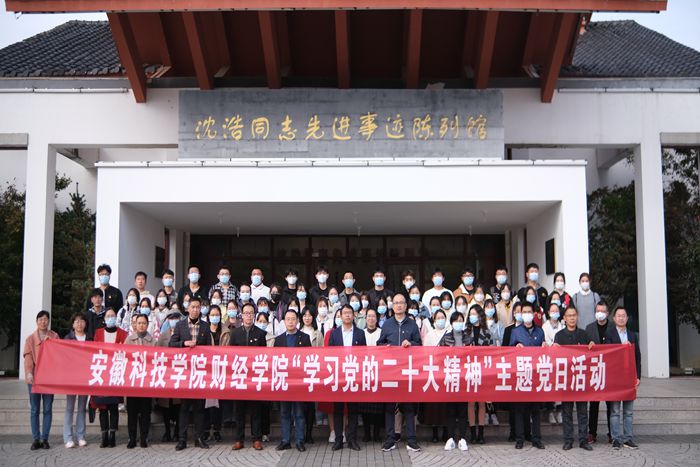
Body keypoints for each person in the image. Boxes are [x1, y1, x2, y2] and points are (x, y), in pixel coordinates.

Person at [377, 293, 422, 453]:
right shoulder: (387, 325)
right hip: (390, 372)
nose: (398, 305)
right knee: (390, 407)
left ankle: (411, 440)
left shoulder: (412, 324)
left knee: (409, 407)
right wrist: (385, 348)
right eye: (395, 303)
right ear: (393, 306)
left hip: (407, 371)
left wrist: (411, 344)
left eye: (401, 302)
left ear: (406, 305)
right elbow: (379, 344)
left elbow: (420, 345)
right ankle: (390, 439)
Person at [169, 297, 211, 451]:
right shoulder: (180, 325)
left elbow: (209, 349)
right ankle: (182, 439)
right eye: (192, 307)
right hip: (185, 373)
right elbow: (171, 345)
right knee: (184, 408)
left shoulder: (205, 326)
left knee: (200, 408)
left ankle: (199, 438)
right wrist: (183, 344)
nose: (195, 310)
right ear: (187, 308)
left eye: (198, 307)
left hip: (199, 372)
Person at [552, 305, 593, 451]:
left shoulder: (584, 334)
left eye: (574, 315)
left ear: (577, 317)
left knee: (582, 412)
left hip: (581, 379)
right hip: (566, 379)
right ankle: (568, 440)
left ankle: (583, 440)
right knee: (567, 412)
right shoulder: (559, 336)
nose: (572, 318)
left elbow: (591, 354)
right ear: (564, 318)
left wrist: (592, 345)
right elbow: (555, 357)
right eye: (569, 316)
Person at [229, 303, 268, 450]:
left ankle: (256, 438)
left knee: (255, 409)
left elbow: (264, 356)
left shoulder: (260, 334)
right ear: (241, 315)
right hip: (240, 376)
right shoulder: (235, 333)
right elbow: (231, 355)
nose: (248, 316)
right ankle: (239, 439)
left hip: (255, 377)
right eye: (246, 313)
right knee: (239, 410)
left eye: (251, 313)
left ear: (254, 315)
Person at [328, 304, 366, 451]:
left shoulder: (360, 333)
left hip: (354, 375)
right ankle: (339, 439)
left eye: (350, 312)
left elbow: (364, 355)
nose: (347, 315)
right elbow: (330, 356)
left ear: (353, 315)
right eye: (344, 313)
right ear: (341, 316)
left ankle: (352, 440)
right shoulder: (334, 334)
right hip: (339, 375)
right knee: (338, 409)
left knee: (353, 410)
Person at [274, 308, 312, 452]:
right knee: (284, 413)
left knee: (299, 413)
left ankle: (300, 441)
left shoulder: (305, 338)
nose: (290, 322)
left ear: (297, 321)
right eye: (288, 319)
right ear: (284, 321)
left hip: (298, 382)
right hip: (284, 381)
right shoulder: (279, 340)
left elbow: (309, 359)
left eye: (293, 319)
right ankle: (285, 440)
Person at [509, 301, 545, 450]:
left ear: (534, 314)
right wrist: (515, 347)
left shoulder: (540, 332)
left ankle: (536, 438)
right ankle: (520, 438)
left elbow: (544, 352)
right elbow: (509, 352)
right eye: (524, 312)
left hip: (535, 375)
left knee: (535, 409)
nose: (527, 315)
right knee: (519, 409)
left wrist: (545, 347)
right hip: (521, 374)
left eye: (529, 312)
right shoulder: (516, 332)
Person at [605, 306, 641, 450]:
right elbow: (608, 353)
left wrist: (638, 376)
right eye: (618, 315)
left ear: (627, 318)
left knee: (628, 411)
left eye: (623, 315)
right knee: (614, 411)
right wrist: (622, 347)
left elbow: (638, 357)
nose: (621, 318)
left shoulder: (632, 335)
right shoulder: (609, 334)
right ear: (614, 318)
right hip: (615, 377)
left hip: (629, 376)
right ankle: (615, 438)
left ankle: (628, 438)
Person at [92, 308, 128, 448]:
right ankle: (104, 435)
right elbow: (94, 350)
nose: (111, 317)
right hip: (102, 372)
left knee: (113, 405)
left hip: (116, 372)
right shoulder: (98, 333)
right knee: (102, 406)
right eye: (108, 316)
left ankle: (112, 435)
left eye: (113, 315)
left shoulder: (123, 333)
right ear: (104, 319)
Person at [24, 310, 59, 450]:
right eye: (40, 319)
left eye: (45, 319)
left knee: (48, 409)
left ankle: (45, 438)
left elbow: (59, 355)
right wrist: (29, 373)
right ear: (37, 321)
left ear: (48, 321)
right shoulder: (30, 339)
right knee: (34, 409)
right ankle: (35, 439)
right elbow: (28, 358)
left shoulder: (54, 336)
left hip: (49, 379)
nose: (43, 322)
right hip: (34, 379)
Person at [440, 311, 471, 451]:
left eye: (461, 320)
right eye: (456, 320)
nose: (459, 323)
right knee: (451, 410)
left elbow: (474, 355)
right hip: (450, 376)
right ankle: (450, 438)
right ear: (451, 323)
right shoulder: (446, 338)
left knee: (463, 410)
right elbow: (439, 356)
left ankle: (463, 439)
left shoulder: (468, 338)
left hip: (464, 377)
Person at [124, 314, 156, 449]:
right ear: (135, 325)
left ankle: (144, 438)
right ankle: (132, 438)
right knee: (132, 412)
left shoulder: (153, 341)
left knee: (145, 412)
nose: (141, 325)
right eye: (139, 323)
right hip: (132, 382)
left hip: (146, 382)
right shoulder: (129, 340)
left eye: (144, 323)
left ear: (147, 325)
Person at [585, 300, 613, 444]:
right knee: (594, 404)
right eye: (598, 311)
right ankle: (592, 433)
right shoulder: (589, 328)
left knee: (610, 404)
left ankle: (612, 433)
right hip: (595, 370)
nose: (600, 313)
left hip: (610, 370)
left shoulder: (613, 328)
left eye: (602, 311)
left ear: (607, 313)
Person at [420, 308, 449, 443]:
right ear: (434, 320)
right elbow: (425, 353)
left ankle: (446, 431)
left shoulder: (449, 333)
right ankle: (435, 432)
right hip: (433, 372)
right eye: (438, 318)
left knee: (446, 404)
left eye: (442, 317)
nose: (440, 320)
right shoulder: (430, 335)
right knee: (434, 404)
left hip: (447, 371)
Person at [63, 312, 91, 448]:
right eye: (77, 321)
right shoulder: (68, 338)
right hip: (71, 377)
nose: (79, 324)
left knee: (81, 408)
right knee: (69, 407)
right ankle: (68, 437)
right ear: (73, 324)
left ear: (86, 323)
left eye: (82, 321)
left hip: (85, 377)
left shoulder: (90, 339)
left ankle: (80, 436)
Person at [466, 304, 492, 444]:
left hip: (483, 370)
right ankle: (472, 433)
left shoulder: (487, 332)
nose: (472, 316)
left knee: (482, 403)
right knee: (471, 402)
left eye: (475, 314)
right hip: (469, 370)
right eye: (471, 314)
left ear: (480, 315)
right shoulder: (465, 332)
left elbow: (492, 351)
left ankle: (481, 433)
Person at [156, 310, 182, 442]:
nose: (174, 321)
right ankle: (167, 431)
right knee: (166, 405)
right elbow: (157, 353)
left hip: (179, 373)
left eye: (176, 318)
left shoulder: (183, 334)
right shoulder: (163, 335)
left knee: (178, 405)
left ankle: (177, 431)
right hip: (166, 373)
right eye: (171, 318)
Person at [202, 306, 223, 443]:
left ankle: (216, 429)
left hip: (220, 370)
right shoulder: (204, 331)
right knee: (205, 402)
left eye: (217, 314)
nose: (215, 317)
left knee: (218, 403)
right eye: (212, 314)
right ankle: (205, 429)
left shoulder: (225, 332)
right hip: (206, 370)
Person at [542, 302, 565, 425]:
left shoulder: (563, 326)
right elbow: (545, 341)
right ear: (548, 313)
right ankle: (550, 411)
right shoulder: (544, 326)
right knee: (550, 385)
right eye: (552, 311)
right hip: (549, 359)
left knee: (560, 385)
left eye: (556, 311)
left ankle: (559, 411)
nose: (554, 313)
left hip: (561, 359)